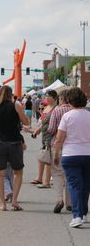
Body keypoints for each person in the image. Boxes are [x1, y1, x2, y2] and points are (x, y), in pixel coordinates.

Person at [0, 85, 29, 211]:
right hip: (14, 142)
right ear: (10, 95)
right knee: (18, 172)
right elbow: (26, 122)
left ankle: (3, 203)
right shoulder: (15, 105)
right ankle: (14, 200)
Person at [53, 87, 90, 228]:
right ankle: (84, 213)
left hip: (71, 154)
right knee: (85, 185)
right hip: (88, 154)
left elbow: (59, 138)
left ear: (69, 101)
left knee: (74, 185)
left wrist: (56, 155)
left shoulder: (67, 116)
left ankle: (77, 216)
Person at [47, 89, 72, 214]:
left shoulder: (56, 111)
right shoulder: (74, 111)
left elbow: (51, 129)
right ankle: (70, 202)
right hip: (71, 146)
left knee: (57, 173)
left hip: (57, 145)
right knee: (69, 174)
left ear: (61, 99)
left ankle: (59, 199)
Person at [30, 90, 58, 188]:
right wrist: (36, 132)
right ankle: (39, 178)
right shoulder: (46, 108)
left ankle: (46, 182)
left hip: (51, 136)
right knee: (42, 157)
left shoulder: (55, 109)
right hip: (44, 135)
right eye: (46, 96)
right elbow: (43, 123)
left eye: (48, 96)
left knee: (47, 158)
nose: (46, 98)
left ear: (54, 98)